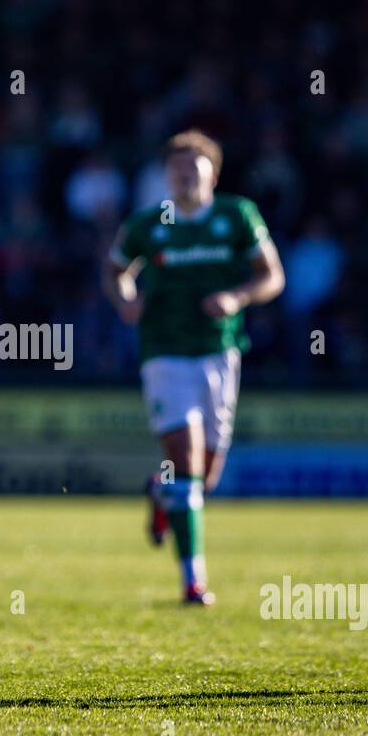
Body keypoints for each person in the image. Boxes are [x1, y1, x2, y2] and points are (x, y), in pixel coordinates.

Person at [103, 130, 285, 604]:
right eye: (176, 169)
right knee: (185, 461)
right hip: (164, 354)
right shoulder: (148, 223)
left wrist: (237, 296)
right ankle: (193, 580)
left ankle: (161, 493)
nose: (184, 176)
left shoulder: (236, 215)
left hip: (220, 352)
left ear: (213, 174)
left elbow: (272, 276)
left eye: (193, 169)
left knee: (204, 477)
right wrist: (126, 299)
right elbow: (114, 269)